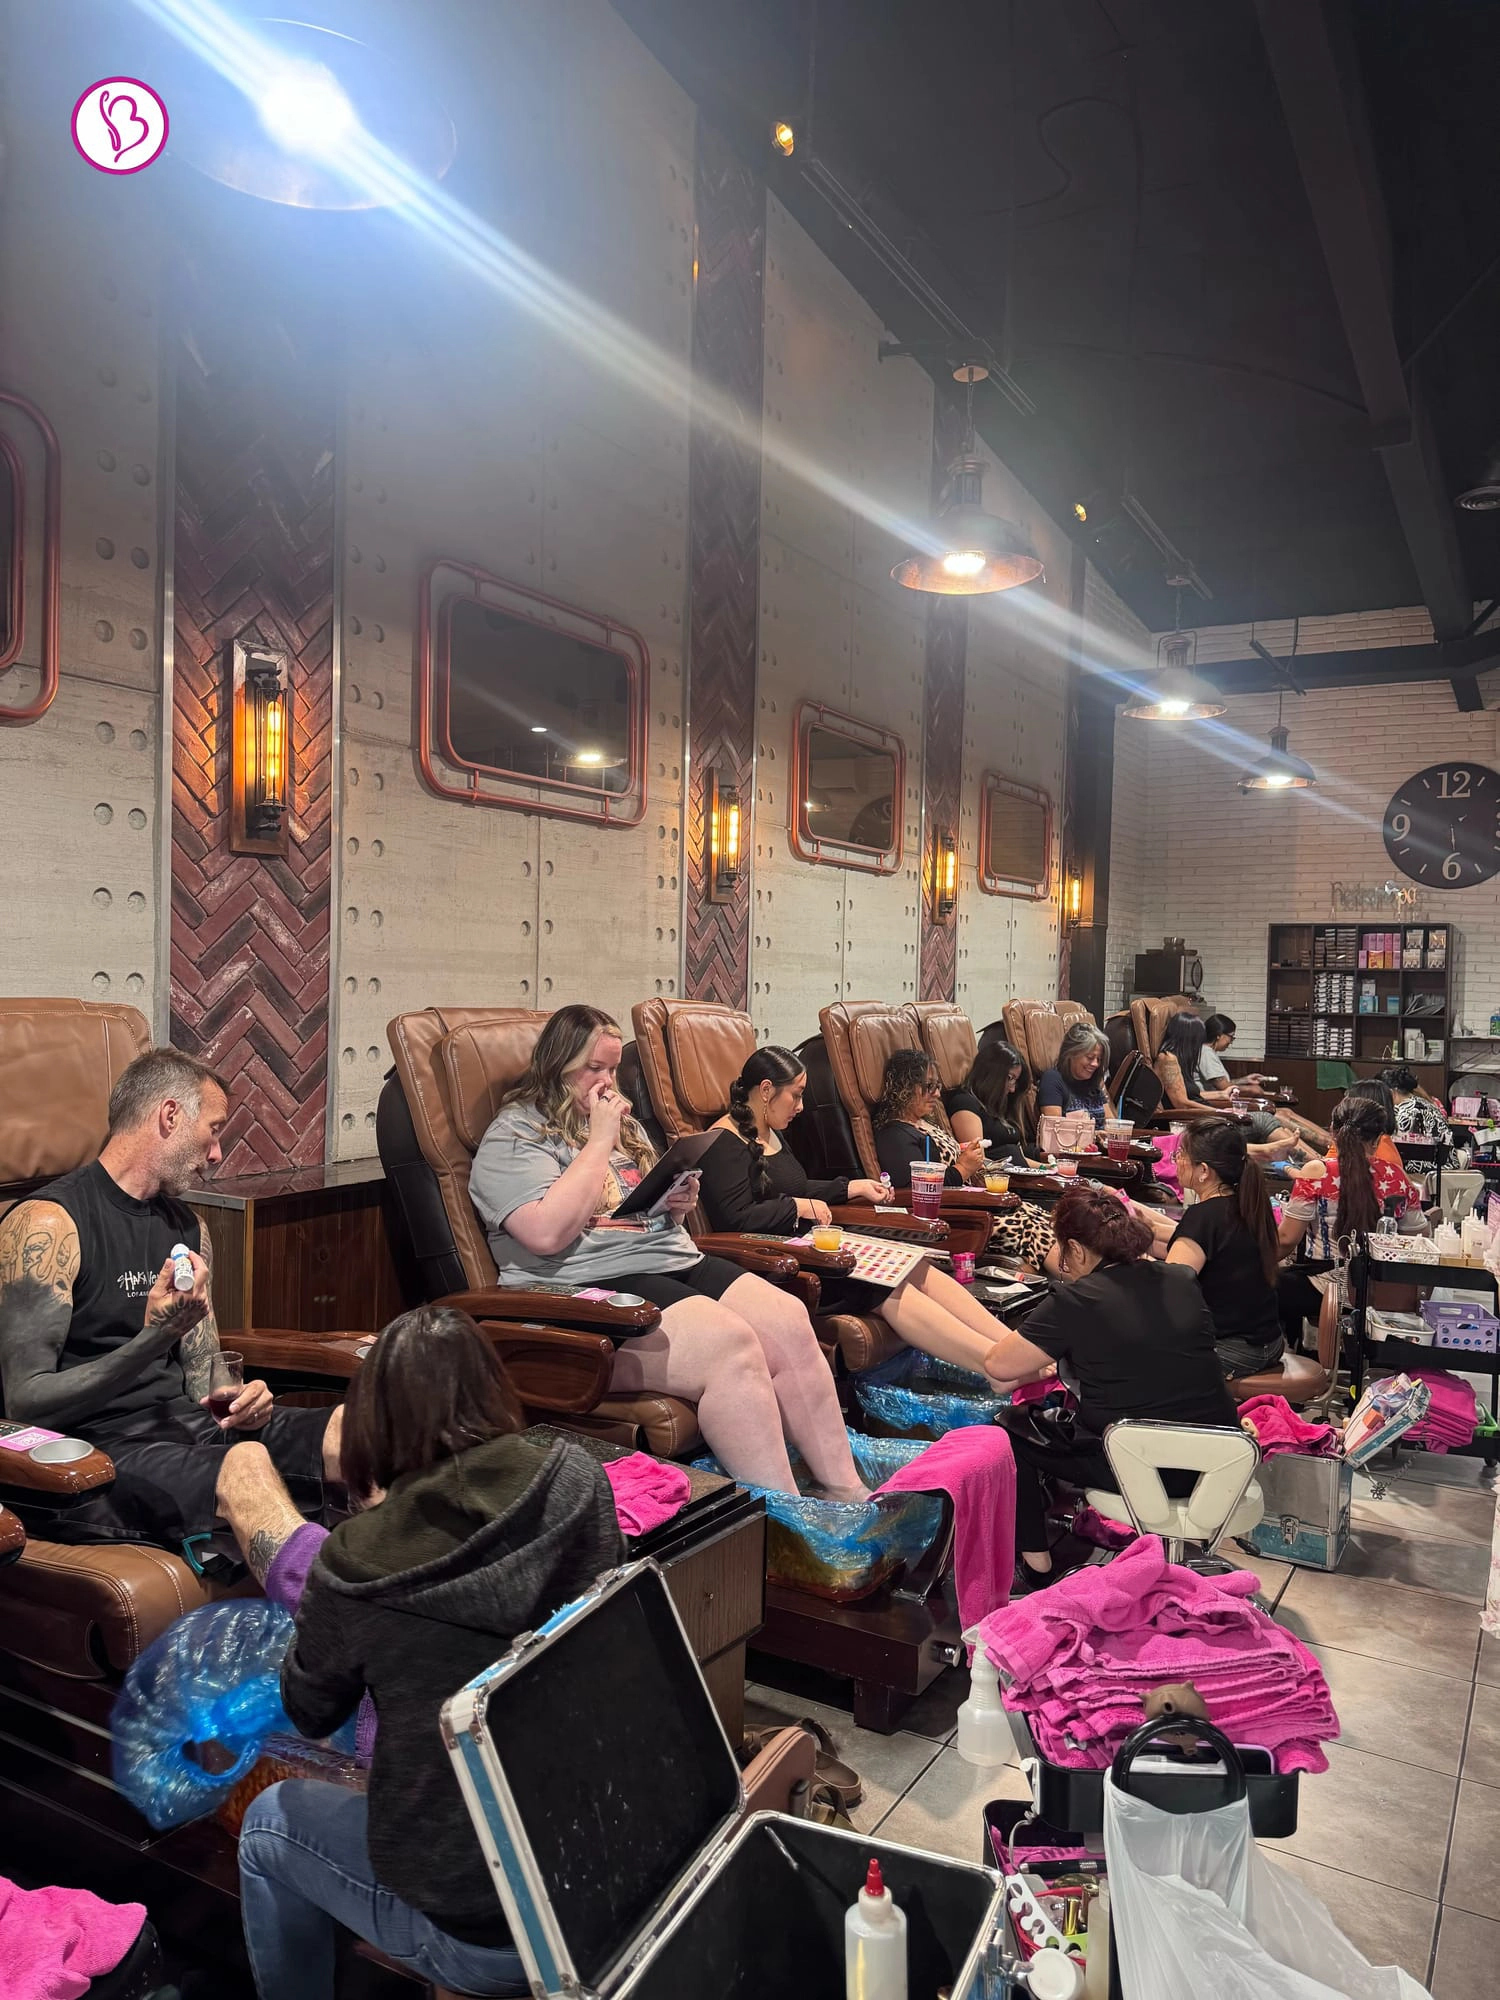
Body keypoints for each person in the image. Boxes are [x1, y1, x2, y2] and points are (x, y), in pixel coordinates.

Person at [235, 1306, 619, 2000]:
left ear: (372, 1421)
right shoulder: (577, 1478)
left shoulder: (356, 1562)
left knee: (268, 1827)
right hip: (604, 1865)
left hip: (480, 1926)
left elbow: (311, 1709)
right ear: (492, 1390)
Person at [468, 1005, 865, 1500]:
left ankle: (846, 1493)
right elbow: (546, 1234)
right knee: (731, 1345)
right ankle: (787, 1524)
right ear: (556, 1063)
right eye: (594, 1068)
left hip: (670, 1258)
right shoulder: (515, 1134)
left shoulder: (620, 1124)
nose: (607, 1082)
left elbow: (635, 1204)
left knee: (787, 1320)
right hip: (584, 1283)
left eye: (612, 1069)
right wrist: (598, 1142)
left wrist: (674, 1202)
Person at [0, 1049, 339, 1553]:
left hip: (186, 1428)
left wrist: (244, 1397)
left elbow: (206, 1375)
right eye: (215, 1129)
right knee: (244, 1465)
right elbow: (25, 1402)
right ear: (170, 1115)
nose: (217, 1153)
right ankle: (338, 1619)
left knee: (352, 1428)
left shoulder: (187, 1228)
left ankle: (412, 1599)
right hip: (93, 1452)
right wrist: (152, 1339)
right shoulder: (49, 1226)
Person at [695, 1047, 1031, 1390]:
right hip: (779, 1265)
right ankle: (995, 1368)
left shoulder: (769, 1130)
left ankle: (1014, 1349)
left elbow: (793, 1185)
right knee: (884, 1282)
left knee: (913, 1263)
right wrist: (796, 1207)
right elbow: (735, 1220)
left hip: (814, 1246)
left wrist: (850, 1187)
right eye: (796, 1096)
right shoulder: (723, 1141)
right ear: (766, 1090)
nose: (801, 1107)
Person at [980, 1187, 1239, 1585]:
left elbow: (997, 1365)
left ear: (1077, 1250)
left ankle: (1036, 1564)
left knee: (1011, 1427)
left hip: (1140, 1468)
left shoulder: (1076, 1300)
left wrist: (1045, 1360)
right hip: (1222, 1461)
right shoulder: (1182, 1278)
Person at [872, 1049, 1054, 1269]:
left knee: (1043, 1216)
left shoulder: (923, 1123)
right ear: (905, 1087)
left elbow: (942, 1161)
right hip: (954, 1219)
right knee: (1029, 1226)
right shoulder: (895, 1134)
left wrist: (963, 1153)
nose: (937, 1094)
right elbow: (914, 1192)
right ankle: (1076, 1288)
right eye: (928, 1086)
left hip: (971, 1205)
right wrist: (962, 1168)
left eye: (937, 1086)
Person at [1165, 1118, 1284, 1380]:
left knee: (1134, 1354)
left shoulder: (1203, 1216)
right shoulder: (1246, 1206)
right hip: (1270, 1343)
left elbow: (1170, 1287)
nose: (1177, 1160)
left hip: (1234, 1350)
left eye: (1182, 1154)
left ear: (1204, 1170)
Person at [944, 1034, 1033, 1162]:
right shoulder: (965, 1103)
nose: (1012, 1089)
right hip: (997, 1179)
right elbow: (977, 1162)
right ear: (992, 1073)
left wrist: (1048, 1169)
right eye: (1010, 1078)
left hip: (1016, 1175)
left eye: (1015, 1080)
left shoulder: (996, 1104)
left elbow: (1017, 1158)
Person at [1036, 1022, 1114, 1129]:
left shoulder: (1094, 1082)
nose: (1096, 1064)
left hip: (1101, 1145)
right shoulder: (1053, 1080)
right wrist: (1095, 1135)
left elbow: (1111, 1124)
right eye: (1090, 1057)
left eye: (1099, 1059)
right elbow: (1054, 1130)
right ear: (1071, 1054)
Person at [1381, 1064, 1460, 1165]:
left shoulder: (1404, 1112)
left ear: (1392, 1092)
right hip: (1449, 1165)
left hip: (1431, 1169)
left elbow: (1399, 1151)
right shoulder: (1428, 1104)